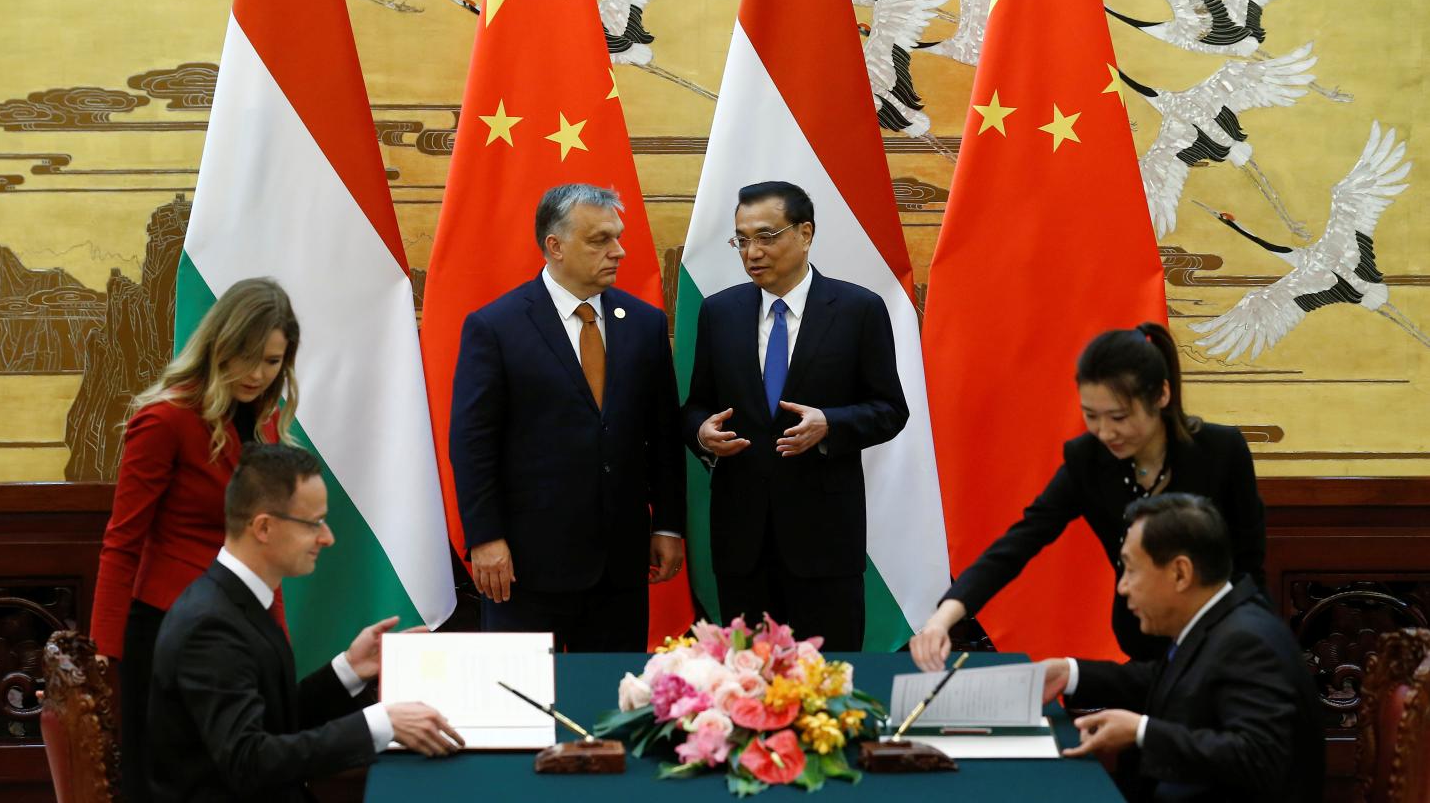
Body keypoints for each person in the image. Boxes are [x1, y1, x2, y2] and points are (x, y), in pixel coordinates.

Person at [911, 322, 1266, 668]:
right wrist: (945, 616)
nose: (1105, 432)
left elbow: (1249, 560)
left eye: (1119, 416)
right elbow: (1019, 543)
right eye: (1091, 416)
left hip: (1224, 639)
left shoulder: (1221, 450)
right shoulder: (1089, 460)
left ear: (1161, 395)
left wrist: (1234, 640)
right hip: (1141, 636)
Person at [147, 444, 464, 801]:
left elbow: (272, 721)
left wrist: (350, 668)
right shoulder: (210, 627)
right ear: (264, 527)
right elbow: (248, 759)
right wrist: (380, 723)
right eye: (314, 523)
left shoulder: (237, 602)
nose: (327, 538)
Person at [88, 277, 300, 801]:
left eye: (273, 361)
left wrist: (279, 645)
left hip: (245, 632)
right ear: (218, 343)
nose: (258, 373)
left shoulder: (267, 426)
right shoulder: (164, 419)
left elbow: (262, 554)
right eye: (247, 356)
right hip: (168, 632)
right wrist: (101, 660)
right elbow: (122, 543)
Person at [449, 183, 685, 651]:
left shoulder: (645, 324)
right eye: (600, 240)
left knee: (614, 705)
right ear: (554, 246)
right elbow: (473, 443)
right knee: (526, 706)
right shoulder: (496, 327)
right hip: (525, 565)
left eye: (617, 236)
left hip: (620, 565)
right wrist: (485, 537)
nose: (618, 251)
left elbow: (662, 435)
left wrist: (668, 524)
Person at [683, 181, 908, 652]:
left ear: (805, 234)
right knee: (746, 685)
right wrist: (702, 433)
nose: (752, 252)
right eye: (742, 239)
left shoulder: (857, 309)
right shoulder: (719, 312)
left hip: (824, 539)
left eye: (766, 236)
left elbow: (890, 410)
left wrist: (831, 424)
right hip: (742, 542)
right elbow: (696, 407)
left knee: (828, 685)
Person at [1039, 494, 1322, 802]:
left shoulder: (1247, 641)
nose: (1123, 587)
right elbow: (1169, 681)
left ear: (1180, 573)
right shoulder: (1220, 618)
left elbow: (1259, 757)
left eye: (1131, 570)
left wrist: (1142, 732)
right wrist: (1070, 673)